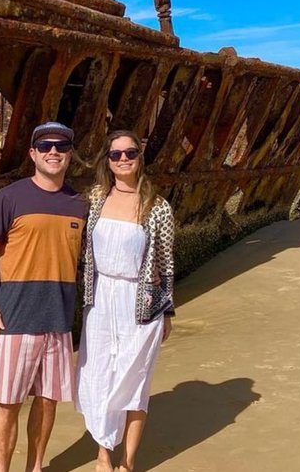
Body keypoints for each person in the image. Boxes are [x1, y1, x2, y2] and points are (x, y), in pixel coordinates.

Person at [0, 121, 89, 472]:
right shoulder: (10, 197)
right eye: (46, 146)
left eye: (62, 147)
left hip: (58, 320)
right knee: (8, 402)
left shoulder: (79, 204)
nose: (53, 152)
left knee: (48, 400)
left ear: (70, 155)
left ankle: (35, 467)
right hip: (15, 319)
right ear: (33, 153)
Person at [75, 130, 175, 472]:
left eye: (129, 152)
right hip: (100, 299)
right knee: (99, 374)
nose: (123, 159)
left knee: (135, 380)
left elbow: (165, 262)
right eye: (115, 154)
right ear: (107, 160)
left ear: (140, 155)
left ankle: (127, 461)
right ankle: (103, 454)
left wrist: (167, 311)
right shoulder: (95, 198)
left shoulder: (157, 207)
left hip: (141, 303)